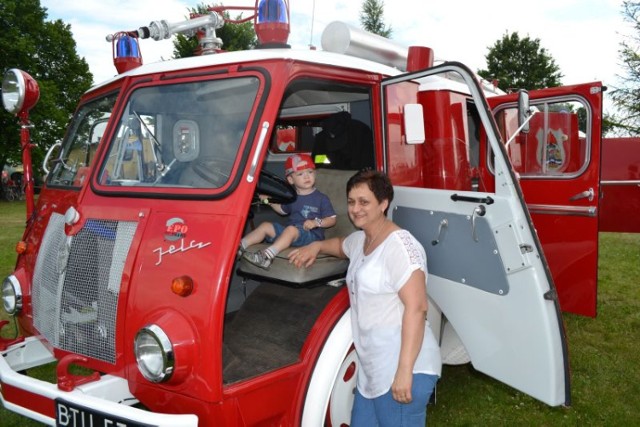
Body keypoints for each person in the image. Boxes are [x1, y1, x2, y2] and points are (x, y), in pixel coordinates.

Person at [288, 169, 441, 426]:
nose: (355, 209)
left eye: (364, 202)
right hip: (373, 372)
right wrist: (316, 245)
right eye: (351, 202)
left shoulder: (401, 247)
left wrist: (404, 372)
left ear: (383, 204)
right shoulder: (362, 240)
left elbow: (417, 308)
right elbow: (339, 244)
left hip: (404, 368)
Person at [240, 153, 337, 269]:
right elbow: (282, 210)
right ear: (291, 179)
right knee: (265, 226)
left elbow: (332, 219)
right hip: (291, 234)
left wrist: (316, 223)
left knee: (291, 229)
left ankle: (266, 257)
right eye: (300, 174)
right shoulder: (291, 196)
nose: (307, 177)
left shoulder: (321, 198)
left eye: (310, 172)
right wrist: (269, 201)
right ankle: (239, 247)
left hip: (311, 236)